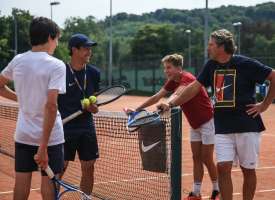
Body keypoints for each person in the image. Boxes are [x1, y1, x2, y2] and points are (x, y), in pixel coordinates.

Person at [159, 29, 275, 200]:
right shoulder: (211, 65)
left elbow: (273, 76)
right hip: (222, 127)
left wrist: (264, 104)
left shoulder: (245, 63)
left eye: (211, 44)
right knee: (222, 168)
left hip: (247, 126)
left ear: (222, 46)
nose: (208, 48)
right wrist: (170, 103)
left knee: (248, 170)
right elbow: (193, 88)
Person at [125, 54, 219, 200]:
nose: (166, 71)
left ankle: (217, 188)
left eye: (169, 67)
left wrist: (168, 104)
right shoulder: (172, 81)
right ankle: (196, 193)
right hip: (195, 124)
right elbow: (157, 96)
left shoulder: (187, 78)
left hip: (207, 121)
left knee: (206, 158)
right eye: (165, 68)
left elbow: (178, 93)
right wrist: (136, 109)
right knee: (196, 157)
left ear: (178, 68)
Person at [0, 17, 66, 200]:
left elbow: (0, 85)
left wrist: (22, 99)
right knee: (49, 185)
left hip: (23, 135)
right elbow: (51, 106)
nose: (57, 43)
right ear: (51, 38)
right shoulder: (57, 65)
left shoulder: (18, 60)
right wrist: (43, 147)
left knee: (21, 184)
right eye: (57, 39)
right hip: (50, 140)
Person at [58, 33, 100, 196]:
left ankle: (86, 198)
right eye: (85, 48)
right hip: (64, 126)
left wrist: (92, 108)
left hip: (86, 126)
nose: (89, 51)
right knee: (60, 167)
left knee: (89, 166)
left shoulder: (94, 73)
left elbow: (95, 104)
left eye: (90, 48)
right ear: (74, 50)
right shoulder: (60, 71)